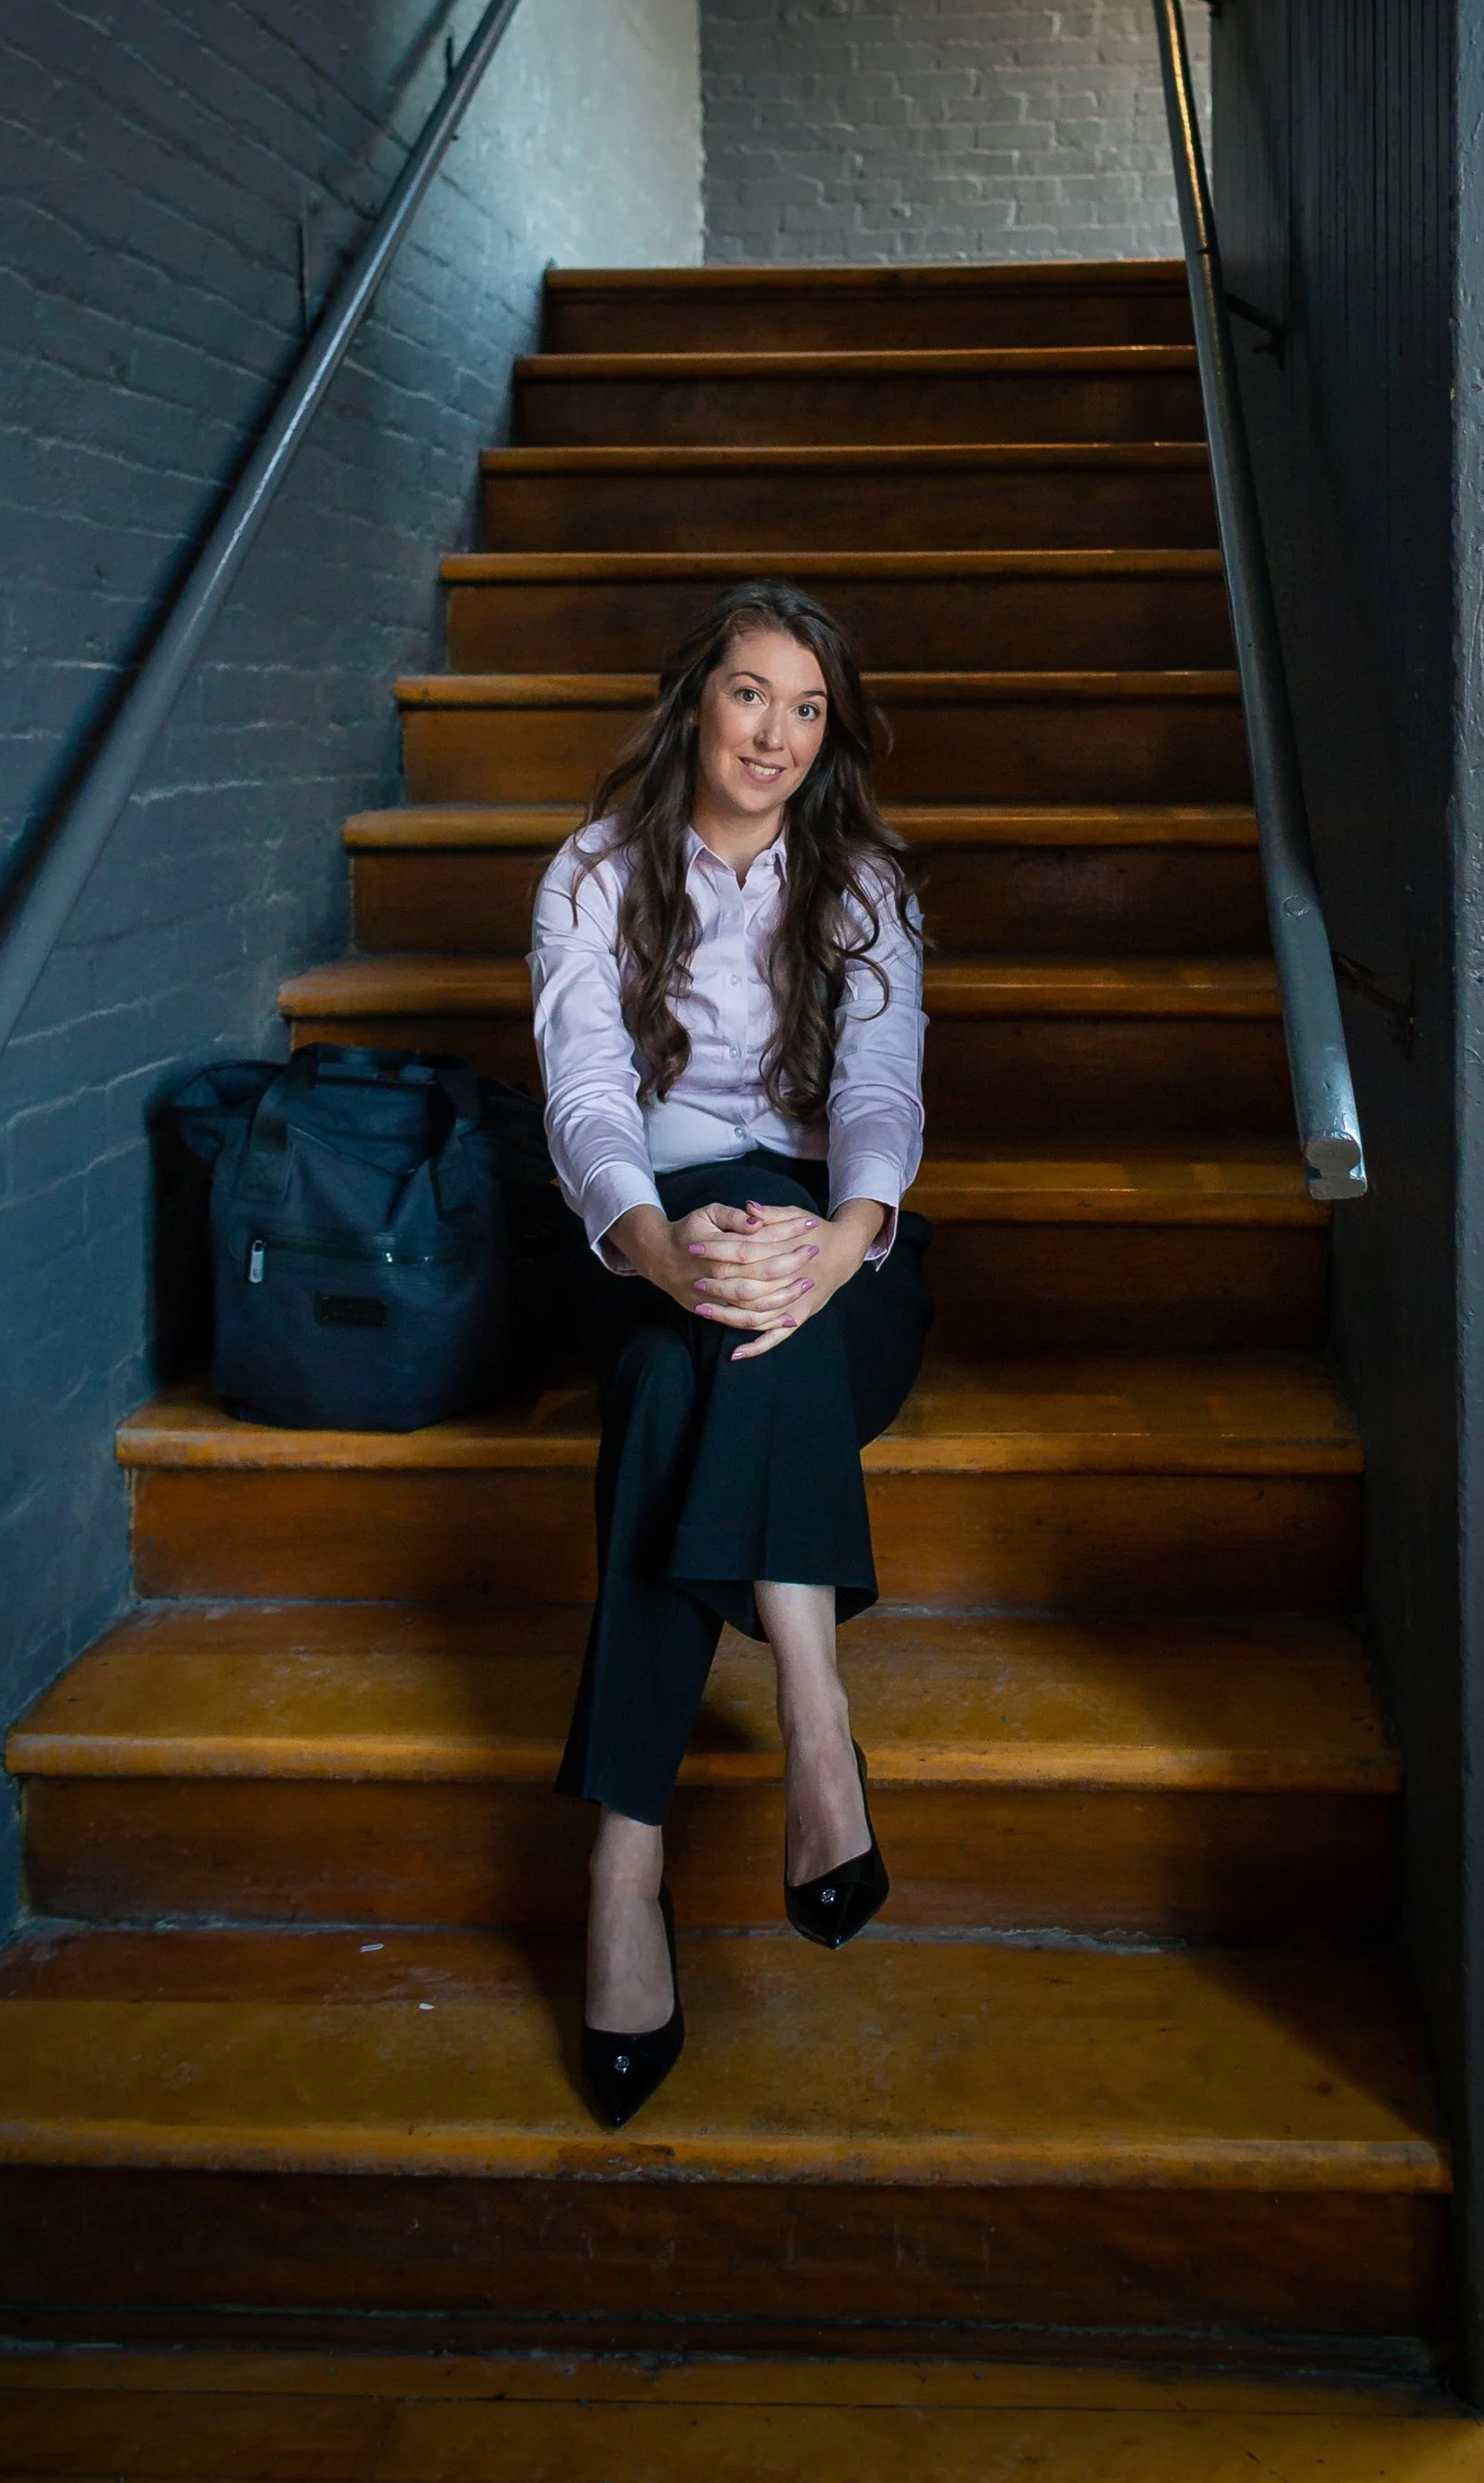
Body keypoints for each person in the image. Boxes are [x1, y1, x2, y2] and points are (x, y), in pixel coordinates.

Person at [529, 580, 930, 2129]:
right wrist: (656, 1244)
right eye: (751, 694)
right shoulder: (593, 871)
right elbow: (583, 1097)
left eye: (807, 707)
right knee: (676, 1347)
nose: (775, 732)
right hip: (656, 1223)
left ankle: (628, 1857)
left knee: (709, 1370)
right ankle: (812, 1737)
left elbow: (885, 1093)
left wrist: (835, 1246)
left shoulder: (867, 882)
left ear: (829, 734)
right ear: (697, 699)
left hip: (839, 1229)